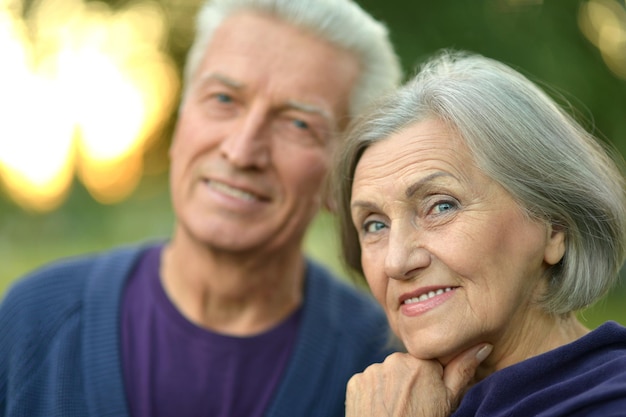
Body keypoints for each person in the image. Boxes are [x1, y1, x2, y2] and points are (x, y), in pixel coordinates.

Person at [0, 1, 403, 416]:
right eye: (224, 99)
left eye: (298, 123)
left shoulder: (385, 365)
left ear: (343, 177)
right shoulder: (36, 321)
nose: (242, 150)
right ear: (181, 118)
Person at [334, 50, 626, 416]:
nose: (396, 261)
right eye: (375, 224)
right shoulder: (385, 400)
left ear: (555, 227)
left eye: (441, 206)